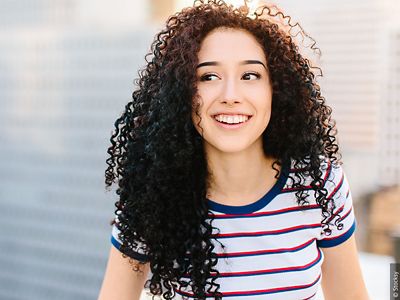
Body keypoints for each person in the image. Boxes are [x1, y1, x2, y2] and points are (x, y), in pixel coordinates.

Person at [98, 0, 370, 299]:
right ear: (180, 94)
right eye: (208, 77)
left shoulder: (321, 184)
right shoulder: (152, 194)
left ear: (275, 89)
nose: (230, 95)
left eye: (250, 76)